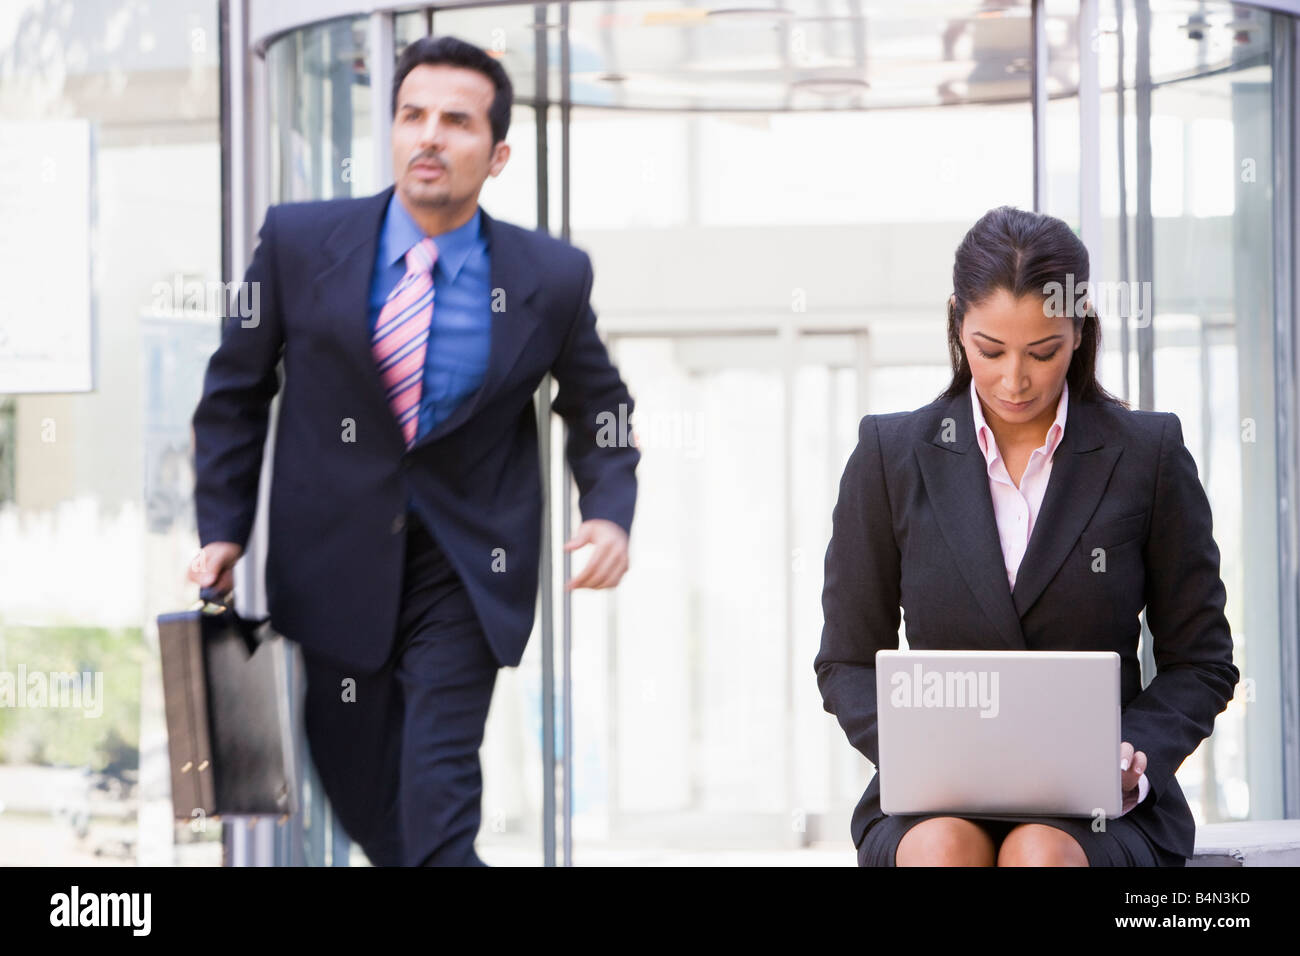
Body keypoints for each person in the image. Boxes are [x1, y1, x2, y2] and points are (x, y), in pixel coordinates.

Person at [185, 35, 639, 866]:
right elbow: (233, 392)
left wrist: (607, 513)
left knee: (436, 796)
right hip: (331, 569)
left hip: (467, 571)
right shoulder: (294, 245)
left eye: (456, 121)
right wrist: (223, 526)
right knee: (366, 796)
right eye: (412, 115)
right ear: (390, 131)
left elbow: (599, 404)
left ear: (497, 154)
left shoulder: (552, 276)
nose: (430, 136)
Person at [814, 205, 1238, 867]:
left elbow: (1201, 659)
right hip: (934, 796)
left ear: (1079, 331)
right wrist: (915, 750)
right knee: (939, 850)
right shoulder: (889, 456)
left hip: (1100, 803)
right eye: (991, 350)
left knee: (1041, 854)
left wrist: (1132, 753)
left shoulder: (1147, 453)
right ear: (958, 322)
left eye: (1043, 352)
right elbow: (844, 661)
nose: (1016, 379)